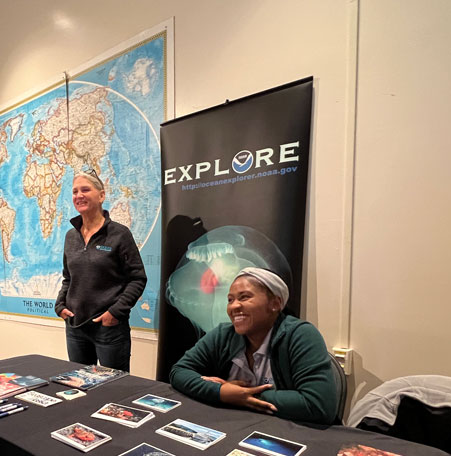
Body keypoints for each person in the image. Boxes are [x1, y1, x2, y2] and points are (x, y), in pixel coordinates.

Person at [170, 267, 337, 424]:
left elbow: (319, 405)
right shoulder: (223, 334)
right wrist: (221, 392)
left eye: (244, 297)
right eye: (230, 299)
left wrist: (240, 396)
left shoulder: (300, 335)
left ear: (275, 304)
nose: (234, 306)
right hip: (236, 426)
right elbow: (179, 371)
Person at [54, 170, 146, 371]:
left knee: (114, 388)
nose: (79, 195)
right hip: (75, 327)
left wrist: (115, 312)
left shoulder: (119, 234)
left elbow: (137, 278)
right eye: (75, 191)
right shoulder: (71, 236)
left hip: (109, 329)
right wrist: (60, 305)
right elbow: (68, 277)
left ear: (101, 195)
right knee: (78, 386)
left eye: (85, 190)